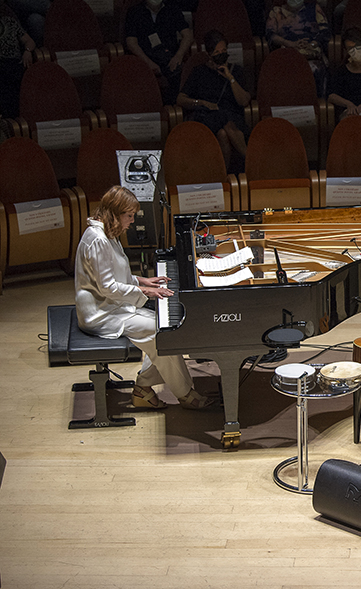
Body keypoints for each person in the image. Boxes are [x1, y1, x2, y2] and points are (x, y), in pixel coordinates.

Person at [74, 186, 215, 410]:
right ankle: (186, 395)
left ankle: (143, 389)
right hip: (100, 314)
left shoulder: (105, 234)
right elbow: (107, 286)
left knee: (163, 326)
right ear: (114, 214)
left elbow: (112, 274)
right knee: (163, 332)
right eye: (128, 216)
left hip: (111, 306)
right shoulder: (98, 239)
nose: (131, 221)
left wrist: (141, 281)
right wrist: (146, 292)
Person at [176, 30, 251, 169]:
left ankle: (224, 176)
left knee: (223, 133)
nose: (221, 54)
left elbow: (244, 101)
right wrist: (201, 103)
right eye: (216, 53)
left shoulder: (236, 71)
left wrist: (230, 77)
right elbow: (180, 99)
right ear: (209, 54)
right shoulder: (199, 72)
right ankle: (252, 160)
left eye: (223, 50)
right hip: (207, 116)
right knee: (221, 117)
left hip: (233, 117)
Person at [123, 0, 193, 105]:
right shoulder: (134, 12)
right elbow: (131, 43)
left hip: (170, 57)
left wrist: (178, 56)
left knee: (180, 74)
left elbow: (188, 35)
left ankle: (174, 109)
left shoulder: (172, 9)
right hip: (145, 58)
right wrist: (148, 62)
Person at [265, 0, 331, 95]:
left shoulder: (314, 8)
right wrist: (290, 44)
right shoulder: (276, 12)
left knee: (315, 69)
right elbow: (270, 35)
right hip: (287, 52)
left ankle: (318, 104)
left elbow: (325, 31)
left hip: (311, 52)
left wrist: (312, 43)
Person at [0, 5, 35, 119]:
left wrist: (28, 51)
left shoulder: (10, 22)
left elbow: (29, 41)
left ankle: (14, 119)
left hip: (12, 62)